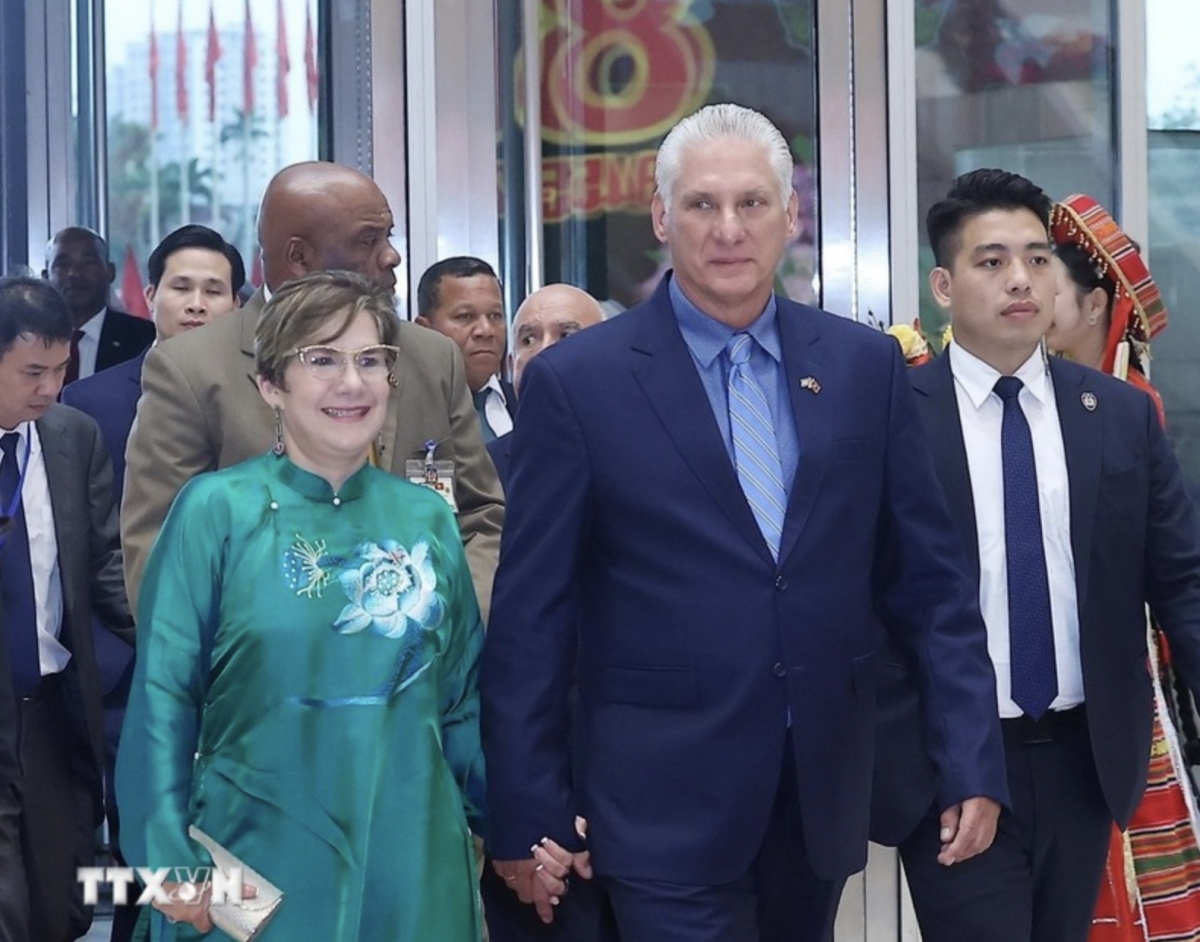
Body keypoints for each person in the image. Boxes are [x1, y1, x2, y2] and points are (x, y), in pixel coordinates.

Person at [480, 103, 1007, 942]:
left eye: (752, 203)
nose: (728, 229)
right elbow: (531, 615)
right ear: (662, 217)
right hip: (656, 800)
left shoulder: (863, 367)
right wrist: (524, 805)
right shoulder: (580, 381)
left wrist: (971, 757)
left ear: (790, 214)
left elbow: (931, 588)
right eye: (702, 204)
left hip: (819, 792)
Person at [115, 270, 487, 940]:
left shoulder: (427, 519)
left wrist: (522, 823)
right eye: (322, 360)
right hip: (252, 864)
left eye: (370, 360)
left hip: (411, 862)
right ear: (270, 385)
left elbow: (463, 705)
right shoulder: (215, 512)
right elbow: (164, 700)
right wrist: (167, 858)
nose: (352, 383)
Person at [888, 168, 1200, 942]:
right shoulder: (896, 418)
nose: (1020, 279)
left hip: (1084, 758)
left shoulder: (1118, 416)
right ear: (943, 285)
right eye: (991, 261)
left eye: (1036, 258)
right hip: (952, 762)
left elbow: (1183, 583)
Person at [120, 162, 504, 619]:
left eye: (388, 236)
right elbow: (158, 553)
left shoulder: (432, 357)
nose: (391, 257)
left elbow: (481, 515)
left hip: (423, 651)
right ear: (299, 257)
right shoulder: (191, 370)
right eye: (368, 240)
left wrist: (451, 623)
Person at [1047, 194, 1200, 942]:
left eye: (1047, 280)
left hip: (1112, 657)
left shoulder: (1131, 406)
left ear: (1094, 305)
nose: (1026, 293)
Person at [0, 275, 133, 942]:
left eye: (60, 370)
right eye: (33, 372)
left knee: (61, 908)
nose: (50, 388)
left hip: (53, 711)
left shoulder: (72, 437)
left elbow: (104, 566)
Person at [62, 224, 245, 498]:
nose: (196, 304)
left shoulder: (263, 394)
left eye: (213, 292)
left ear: (235, 306)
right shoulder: (89, 402)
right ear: (150, 297)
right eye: (181, 288)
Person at [487, 283, 606, 482]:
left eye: (566, 336)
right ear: (511, 365)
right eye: (529, 340)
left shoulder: (643, 453)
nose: (543, 352)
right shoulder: (483, 469)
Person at [416, 257, 514, 442]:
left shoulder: (524, 405)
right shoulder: (397, 412)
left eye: (495, 315)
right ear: (424, 329)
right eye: (465, 316)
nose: (486, 330)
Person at [42, 227, 155, 382]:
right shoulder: (27, 338)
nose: (75, 273)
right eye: (63, 264)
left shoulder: (145, 339)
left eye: (89, 263)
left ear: (110, 272)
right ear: (45, 277)